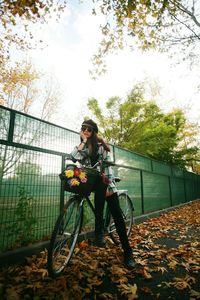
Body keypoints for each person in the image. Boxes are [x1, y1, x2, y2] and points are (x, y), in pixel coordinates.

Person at [70, 119, 135, 268]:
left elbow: (108, 164)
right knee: (84, 187)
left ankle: (127, 251)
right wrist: (83, 141)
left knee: (117, 215)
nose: (86, 131)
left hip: (106, 181)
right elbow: (73, 156)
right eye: (83, 129)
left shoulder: (101, 147)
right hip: (92, 181)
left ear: (94, 132)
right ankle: (99, 230)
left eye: (89, 130)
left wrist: (107, 184)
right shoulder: (84, 146)